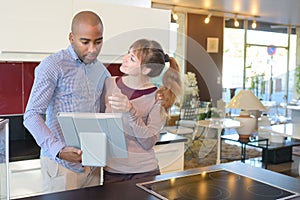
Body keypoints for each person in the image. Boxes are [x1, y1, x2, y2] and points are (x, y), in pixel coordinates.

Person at [23, 11, 111, 193]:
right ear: (72, 38)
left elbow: (103, 114)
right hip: (60, 165)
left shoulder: (101, 70)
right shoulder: (53, 66)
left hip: (92, 165)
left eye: (98, 41)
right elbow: (31, 115)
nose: (93, 49)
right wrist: (59, 149)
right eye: (85, 42)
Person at [103, 39, 182, 184]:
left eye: (132, 58)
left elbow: (148, 142)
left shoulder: (157, 97)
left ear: (146, 69)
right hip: (112, 171)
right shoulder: (109, 84)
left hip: (143, 173)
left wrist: (130, 111)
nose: (124, 59)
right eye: (128, 54)